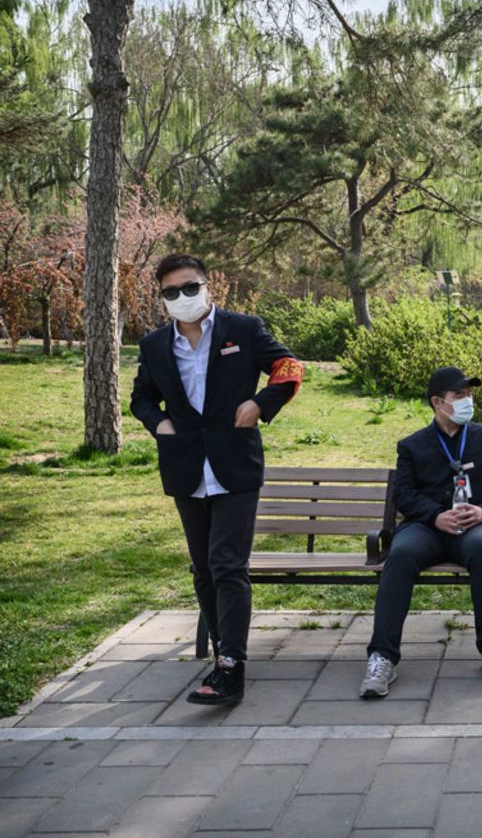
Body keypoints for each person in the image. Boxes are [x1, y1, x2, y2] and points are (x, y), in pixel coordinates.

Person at [130, 253, 304, 706]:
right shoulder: (153, 345)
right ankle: (223, 656)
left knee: (228, 565)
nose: (182, 298)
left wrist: (262, 404)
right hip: (185, 467)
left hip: (235, 467)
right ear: (162, 298)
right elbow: (141, 397)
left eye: (190, 288)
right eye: (171, 292)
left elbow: (289, 367)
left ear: (208, 287)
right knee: (203, 568)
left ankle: (231, 665)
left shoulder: (243, 330)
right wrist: (159, 424)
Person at [360, 366, 482, 697]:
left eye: (470, 395)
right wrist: (435, 517)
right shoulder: (412, 446)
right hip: (427, 528)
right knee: (400, 554)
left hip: (475, 527)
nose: (467, 401)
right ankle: (382, 657)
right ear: (437, 402)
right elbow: (403, 494)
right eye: (459, 396)